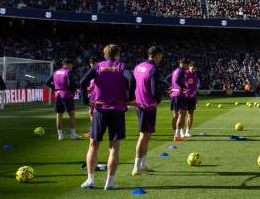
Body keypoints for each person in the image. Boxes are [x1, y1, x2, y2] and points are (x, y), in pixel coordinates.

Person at [79, 44, 134, 190]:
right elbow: (131, 79)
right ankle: (109, 182)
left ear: (105, 54)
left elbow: (82, 81)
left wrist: (85, 100)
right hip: (117, 110)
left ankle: (90, 180)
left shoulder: (98, 66)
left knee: (93, 145)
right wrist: (130, 97)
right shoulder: (122, 66)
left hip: (100, 109)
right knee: (114, 148)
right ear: (118, 54)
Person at [131, 46, 164, 176]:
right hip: (148, 105)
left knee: (147, 135)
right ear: (157, 55)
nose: (161, 58)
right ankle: (136, 167)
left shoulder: (138, 67)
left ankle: (142, 164)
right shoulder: (153, 69)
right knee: (143, 136)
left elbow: (132, 84)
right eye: (161, 56)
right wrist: (158, 99)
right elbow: (155, 91)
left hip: (139, 104)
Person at [48, 58, 80, 140]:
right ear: (68, 64)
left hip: (58, 95)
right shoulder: (69, 72)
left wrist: (56, 88)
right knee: (71, 114)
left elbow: (47, 82)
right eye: (72, 65)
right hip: (67, 95)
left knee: (59, 115)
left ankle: (60, 135)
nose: (72, 66)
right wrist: (75, 89)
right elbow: (70, 85)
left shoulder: (56, 72)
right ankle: (73, 134)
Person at [169, 57, 190, 142]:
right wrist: (184, 87)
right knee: (182, 114)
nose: (187, 67)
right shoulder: (181, 71)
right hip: (180, 94)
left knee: (175, 115)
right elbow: (178, 80)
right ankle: (177, 135)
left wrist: (171, 86)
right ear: (183, 64)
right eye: (187, 65)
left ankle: (175, 134)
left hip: (173, 94)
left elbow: (166, 79)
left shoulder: (175, 71)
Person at [181, 63, 200, 138]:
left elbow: (195, 88)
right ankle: (181, 132)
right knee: (183, 115)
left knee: (191, 115)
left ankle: (187, 132)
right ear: (189, 67)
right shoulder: (184, 74)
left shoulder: (195, 75)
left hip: (193, 98)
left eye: (194, 69)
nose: (193, 70)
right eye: (192, 69)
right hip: (184, 97)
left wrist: (196, 99)